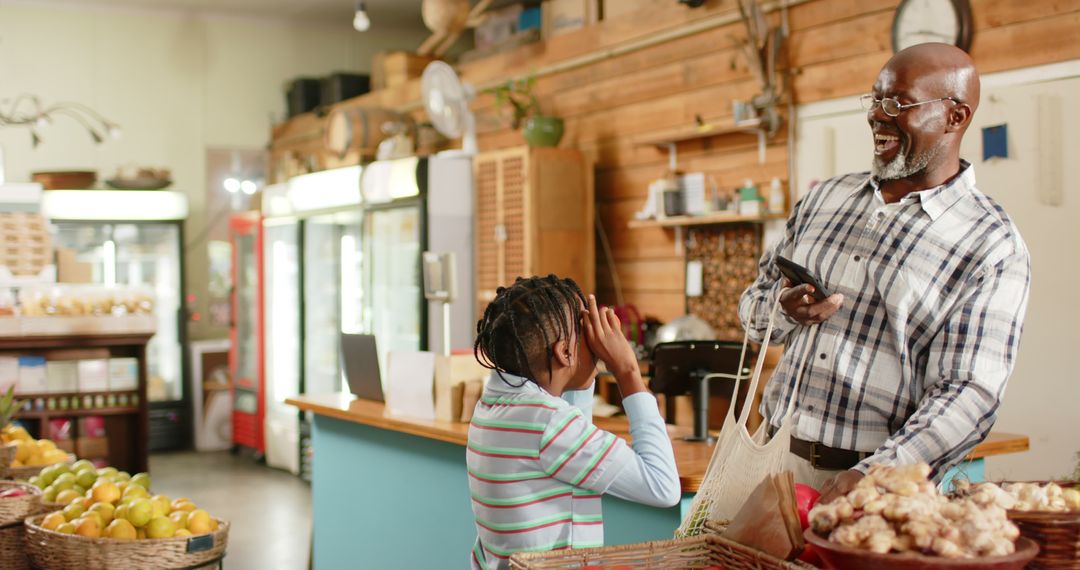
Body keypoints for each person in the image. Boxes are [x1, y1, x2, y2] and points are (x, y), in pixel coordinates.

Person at [738, 43, 1031, 504]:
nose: (877, 115)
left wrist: (877, 474)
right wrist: (784, 309)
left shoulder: (991, 244)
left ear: (956, 117)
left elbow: (969, 394)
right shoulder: (823, 200)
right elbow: (752, 316)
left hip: (878, 489)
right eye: (874, 100)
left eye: (897, 103)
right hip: (771, 466)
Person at [467, 275, 680, 569]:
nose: (598, 337)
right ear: (564, 352)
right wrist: (628, 369)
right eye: (586, 328)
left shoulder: (494, 405)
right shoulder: (549, 424)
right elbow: (663, 486)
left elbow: (572, 429)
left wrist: (580, 368)